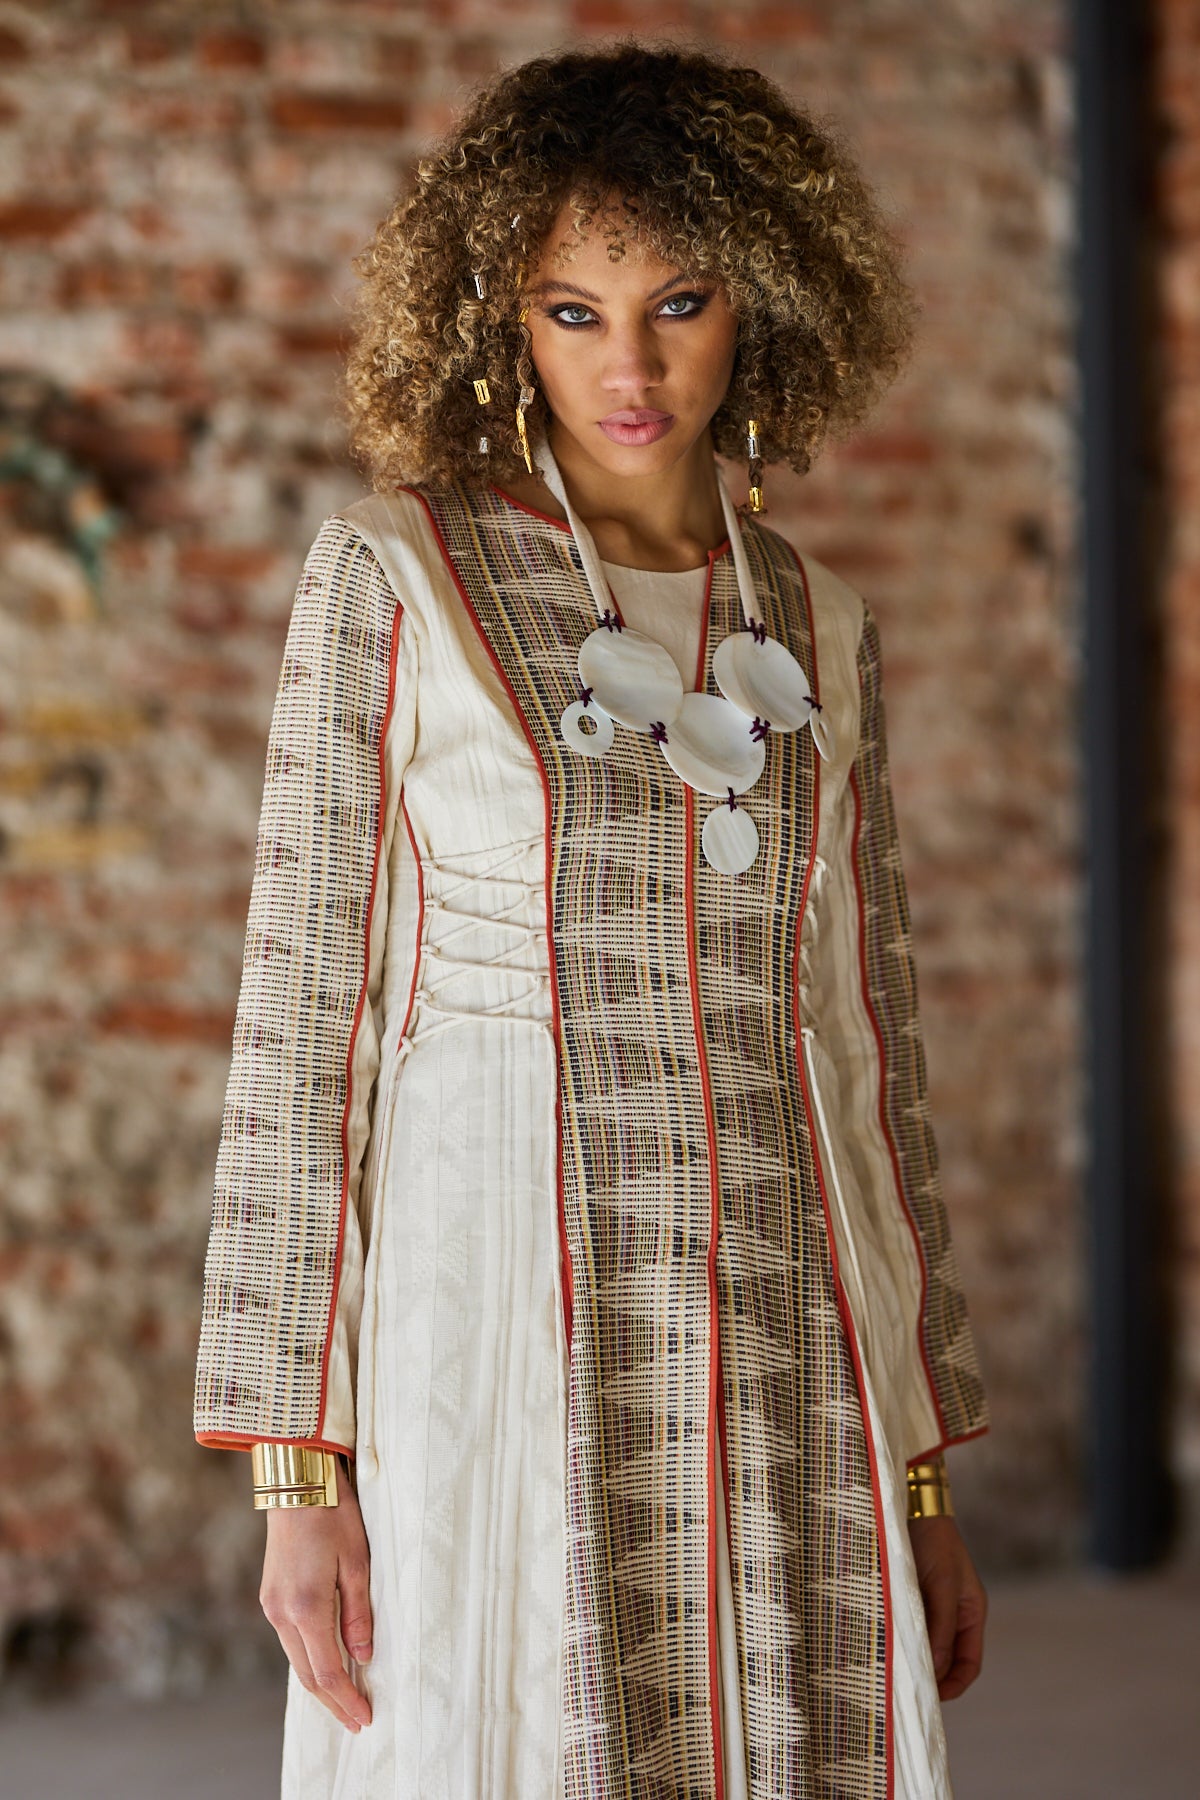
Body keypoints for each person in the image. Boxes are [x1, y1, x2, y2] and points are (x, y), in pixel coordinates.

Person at [194, 40, 989, 1800]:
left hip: (781, 1308)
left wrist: (924, 1475)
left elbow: (865, 1042)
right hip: (495, 1304)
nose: (630, 368)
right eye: (574, 312)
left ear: (763, 299)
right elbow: (307, 1020)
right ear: (505, 321)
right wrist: (295, 1472)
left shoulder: (824, 624)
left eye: (678, 303)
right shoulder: (391, 575)